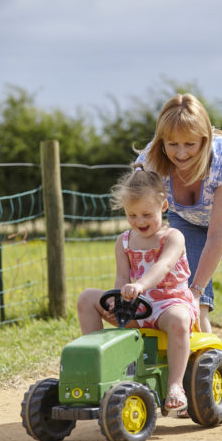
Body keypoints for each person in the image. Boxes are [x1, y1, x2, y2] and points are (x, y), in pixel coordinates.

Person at [135, 93, 222, 403]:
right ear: (161, 140)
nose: (181, 152)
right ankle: (202, 378)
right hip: (187, 221)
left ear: (204, 138)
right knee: (186, 302)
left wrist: (198, 288)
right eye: (172, 144)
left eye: (190, 144)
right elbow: (140, 215)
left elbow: (219, 233)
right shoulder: (149, 163)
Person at [77, 164, 199, 412]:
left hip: (169, 303)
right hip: (136, 308)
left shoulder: (173, 237)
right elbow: (122, 277)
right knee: (87, 298)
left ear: (162, 206)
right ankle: (94, 367)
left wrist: (141, 285)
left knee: (178, 318)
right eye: (132, 215)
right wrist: (117, 300)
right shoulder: (123, 241)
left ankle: (176, 385)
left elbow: (164, 266)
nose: (139, 221)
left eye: (146, 214)